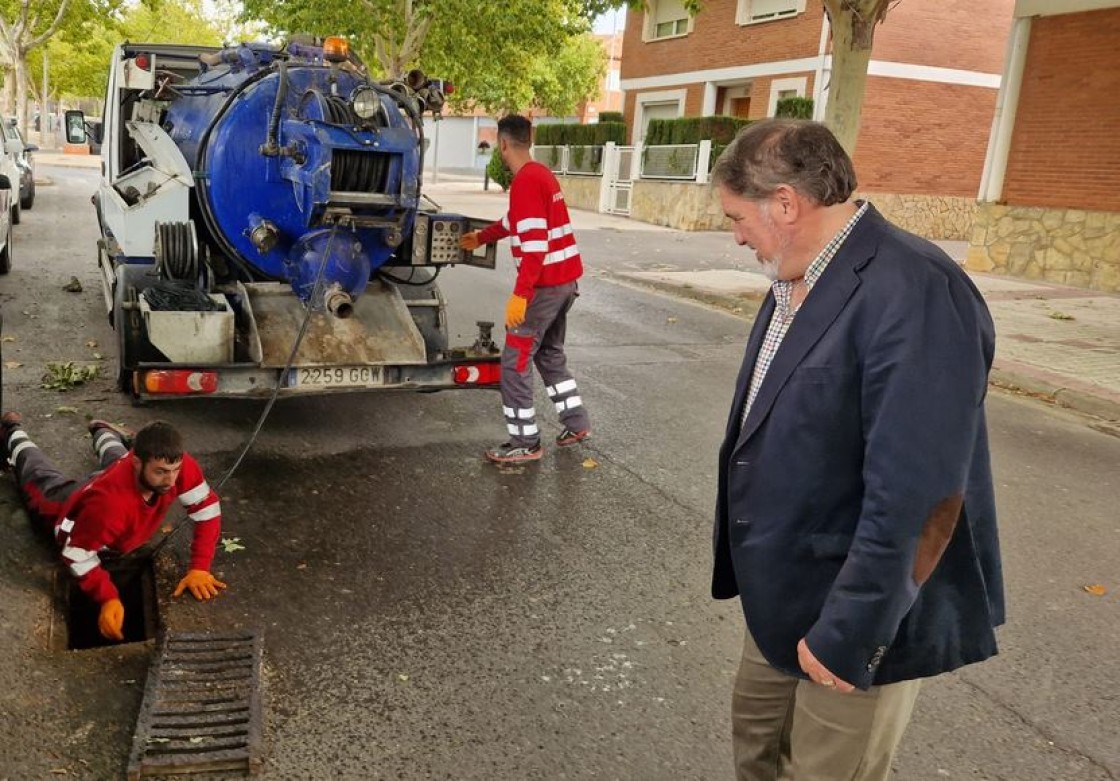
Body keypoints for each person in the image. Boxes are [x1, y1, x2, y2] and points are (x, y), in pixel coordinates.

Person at [709, 119, 1004, 780]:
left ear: (784, 204)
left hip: (857, 609)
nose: (735, 235)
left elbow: (920, 495)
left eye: (736, 216)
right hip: (782, 595)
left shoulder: (916, 289)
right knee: (756, 749)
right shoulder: (796, 275)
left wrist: (848, 633)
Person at [2, 413, 226, 642]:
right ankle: (11, 431)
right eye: (161, 472)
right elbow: (76, 553)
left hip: (121, 479)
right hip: (69, 503)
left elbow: (207, 508)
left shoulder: (173, 465)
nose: (170, 481)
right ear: (136, 461)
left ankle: (102, 429)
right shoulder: (109, 506)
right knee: (37, 474)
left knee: (115, 456)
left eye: (174, 470)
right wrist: (108, 598)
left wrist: (200, 567)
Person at [459, 114, 591, 464]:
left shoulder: (526, 182)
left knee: (515, 359)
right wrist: (482, 237)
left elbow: (534, 247)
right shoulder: (540, 175)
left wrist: (521, 294)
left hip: (544, 287)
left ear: (503, 144)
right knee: (549, 354)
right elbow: (515, 222)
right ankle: (576, 422)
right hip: (565, 284)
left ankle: (524, 441)